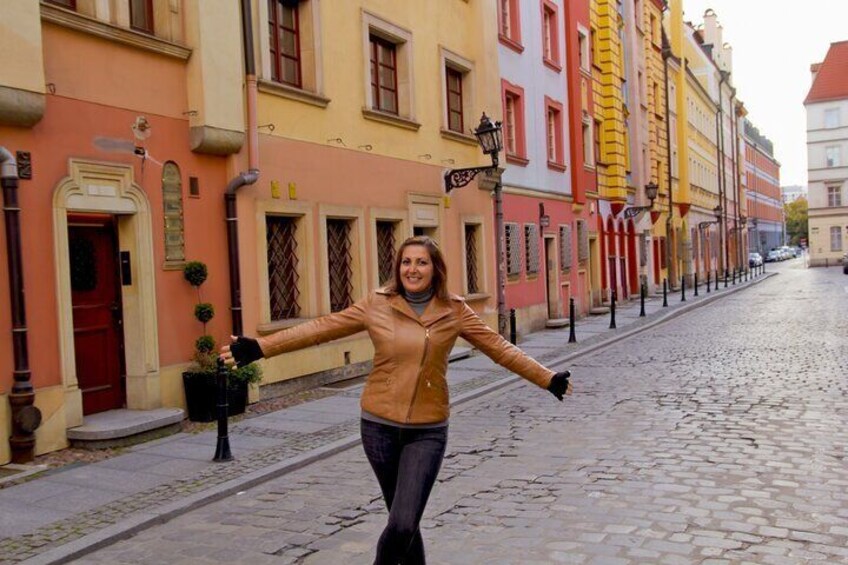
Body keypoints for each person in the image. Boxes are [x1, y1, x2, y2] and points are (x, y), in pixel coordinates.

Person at [220, 235, 572, 564]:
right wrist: (262, 347)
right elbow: (322, 328)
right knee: (405, 520)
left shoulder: (454, 310)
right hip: (379, 427)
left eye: (421, 263)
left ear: (435, 269)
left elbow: (500, 349)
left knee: (403, 522)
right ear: (398, 267)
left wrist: (547, 378)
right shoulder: (378, 304)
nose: (412, 269)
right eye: (406, 262)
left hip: (428, 429)